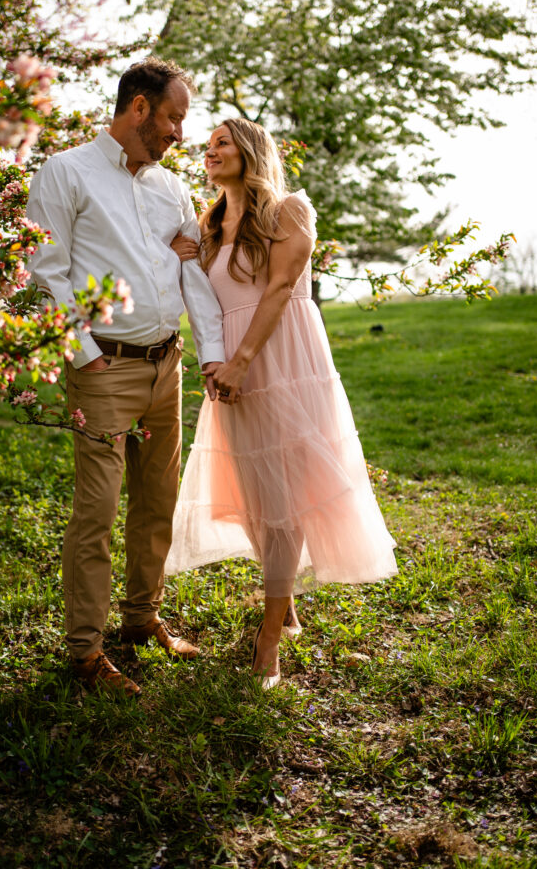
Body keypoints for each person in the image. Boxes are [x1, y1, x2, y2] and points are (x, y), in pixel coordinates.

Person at [167, 118, 397, 688]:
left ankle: (270, 633)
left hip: (283, 359)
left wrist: (244, 359)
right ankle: (283, 592)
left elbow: (277, 289)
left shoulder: (289, 210)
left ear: (248, 149)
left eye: (221, 142)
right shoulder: (210, 223)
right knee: (249, 490)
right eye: (208, 144)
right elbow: (203, 299)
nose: (209, 150)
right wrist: (215, 359)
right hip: (231, 364)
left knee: (285, 493)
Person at [26, 58, 225, 697]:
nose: (178, 133)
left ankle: (142, 620)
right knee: (98, 511)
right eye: (171, 117)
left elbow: (189, 268)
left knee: (157, 500)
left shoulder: (170, 188)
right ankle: (85, 652)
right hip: (104, 367)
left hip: (166, 365)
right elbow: (44, 273)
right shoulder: (66, 172)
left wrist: (209, 351)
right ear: (137, 107)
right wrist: (85, 355)